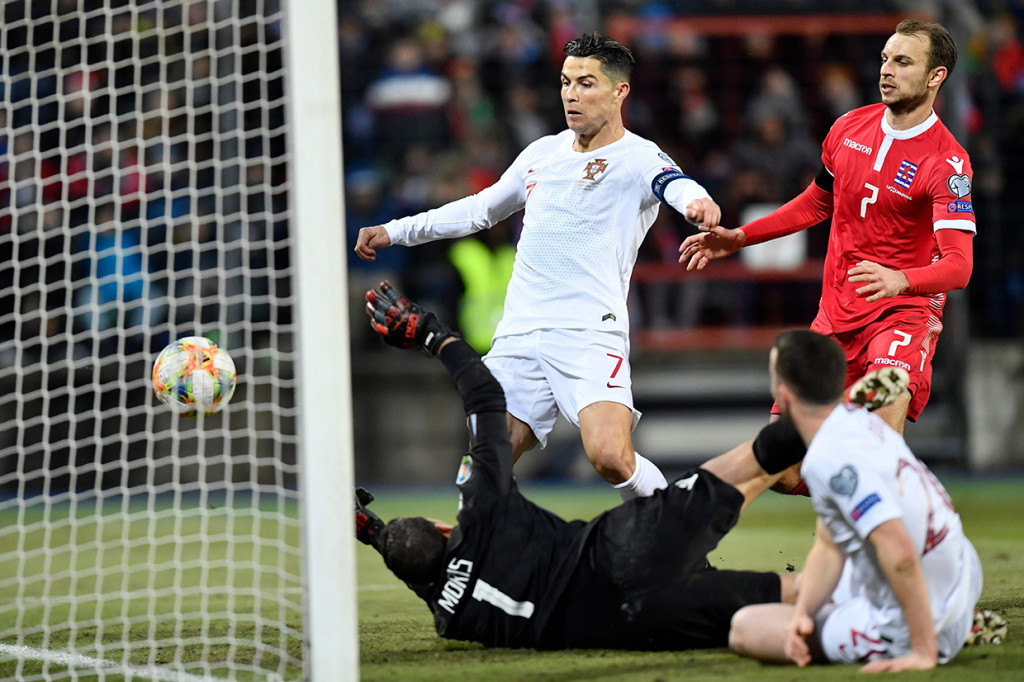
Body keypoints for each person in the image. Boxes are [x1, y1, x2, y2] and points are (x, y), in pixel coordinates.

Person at [356, 34, 722, 500]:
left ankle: (682, 538)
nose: (571, 94)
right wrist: (396, 229)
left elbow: (675, 183)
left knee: (610, 456)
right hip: (521, 332)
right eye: (566, 82)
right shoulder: (542, 153)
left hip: (587, 330)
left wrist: (699, 204)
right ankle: (480, 566)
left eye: (587, 84)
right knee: (485, 463)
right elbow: (480, 209)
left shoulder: (638, 157)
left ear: (619, 91)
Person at [355, 281, 796, 651]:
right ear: (444, 529)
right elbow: (485, 396)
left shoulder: (451, 620)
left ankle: (849, 609)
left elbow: (426, 575)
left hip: (632, 623)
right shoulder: (482, 507)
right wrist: (432, 334)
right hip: (624, 550)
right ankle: (843, 407)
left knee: (776, 598)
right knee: (753, 462)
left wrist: (375, 533)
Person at [679, 20, 974, 486]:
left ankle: (881, 541)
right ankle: (887, 503)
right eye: (884, 59)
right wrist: (741, 237)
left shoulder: (947, 161)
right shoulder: (848, 127)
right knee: (780, 467)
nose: (887, 70)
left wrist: (901, 280)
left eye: (902, 62)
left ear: (936, 76)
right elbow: (819, 200)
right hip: (835, 315)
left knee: (881, 421)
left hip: (901, 315)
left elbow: (959, 266)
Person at [727, 330, 983, 671]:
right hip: (960, 584)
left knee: (744, 628)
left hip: (920, 626)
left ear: (784, 396)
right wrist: (802, 615)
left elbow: (899, 552)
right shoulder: (860, 422)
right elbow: (829, 543)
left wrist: (922, 651)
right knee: (815, 592)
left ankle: (913, 637)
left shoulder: (827, 457)